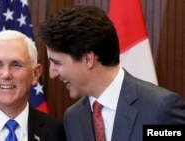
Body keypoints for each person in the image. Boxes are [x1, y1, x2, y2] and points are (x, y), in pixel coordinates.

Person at [37, 5, 185, 141]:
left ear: (88, 59)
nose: (52, 73)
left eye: (57, 63)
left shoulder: (159, 108)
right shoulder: (73, 117)